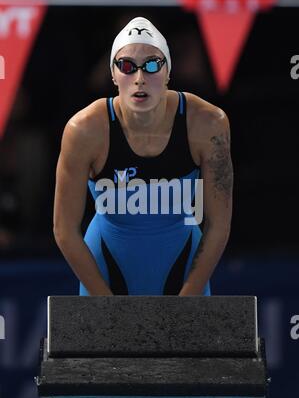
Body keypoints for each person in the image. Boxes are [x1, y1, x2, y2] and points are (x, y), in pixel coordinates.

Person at [53, 17, 233, 297]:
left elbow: (219, 223)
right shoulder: (85, 130)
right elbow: (64, 228)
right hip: (106, 262)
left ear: (168, 72)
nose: (139, 78)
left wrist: (188, 298)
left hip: (183, 263)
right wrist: (106, 304)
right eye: (127, 66)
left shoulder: (207, 124)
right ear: (113, 74)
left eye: (152, 65)